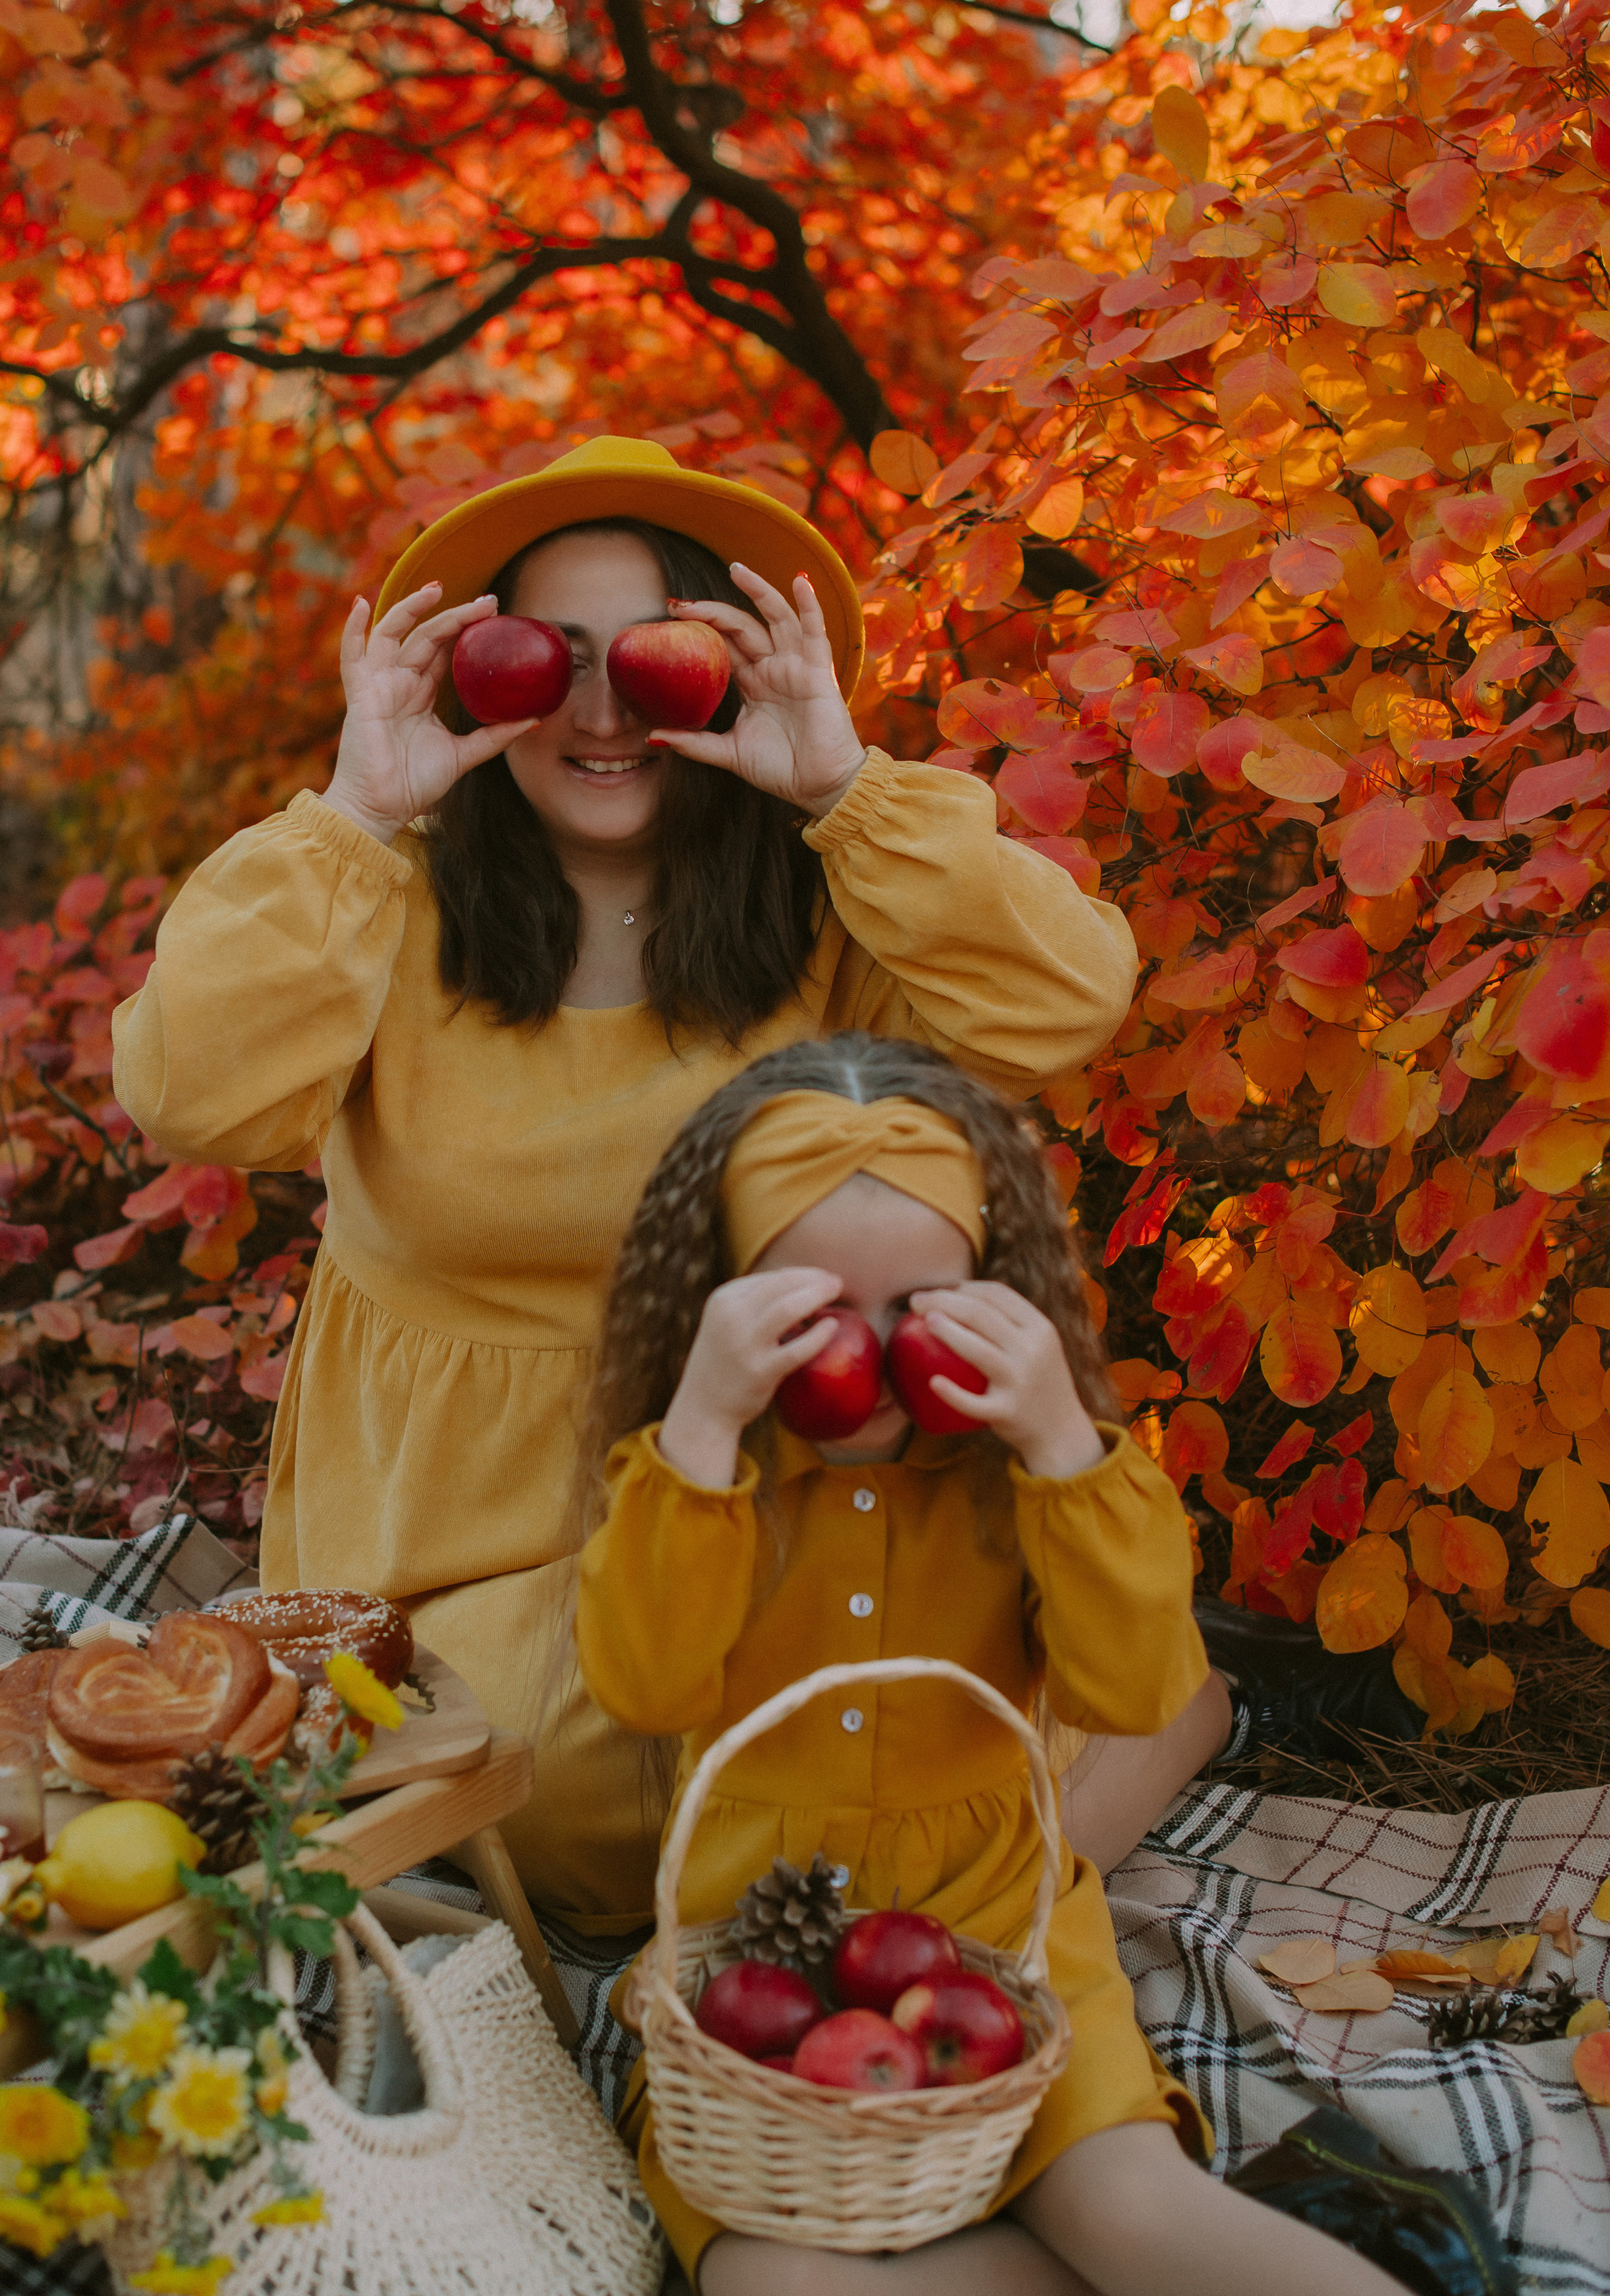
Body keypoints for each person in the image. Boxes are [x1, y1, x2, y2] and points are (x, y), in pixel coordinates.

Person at [111, 432, 1397, 1934]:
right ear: (479, 678)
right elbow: (188, 1094)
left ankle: (1143, 1724)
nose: (601, 711)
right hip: (456, 1540)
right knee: (601, 1778)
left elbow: (1064, 1004)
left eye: (655, 657)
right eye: (547, 660)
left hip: (777, 1476)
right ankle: (1075, 1779)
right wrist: (355, 808)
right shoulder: (375, 902)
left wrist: (842, 782)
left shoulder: (831, 901)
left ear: (726, 673)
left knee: (842, 1732)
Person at [574, 1034, 1402, 2296]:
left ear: (992, 1283)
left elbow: (1128, 1690)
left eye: (924, 1304)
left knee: (1132, 2211)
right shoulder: (701, 1480)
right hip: (758, 1966)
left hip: (1003, 1952)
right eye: (812, 1308)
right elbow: (643, 1682)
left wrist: (1063, 1440)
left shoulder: (1024, 1471)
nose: (882, 1347)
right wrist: (700, 1424)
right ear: (725, 1299)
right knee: (771, 2279)